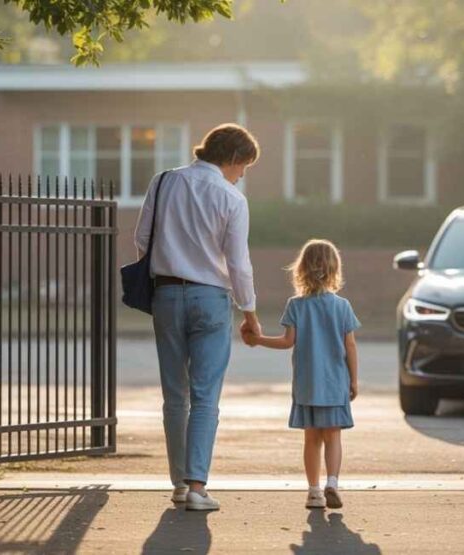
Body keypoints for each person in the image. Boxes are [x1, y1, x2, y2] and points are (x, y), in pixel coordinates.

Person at [134, 124, 261, 511]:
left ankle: (178, 484)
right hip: (211, 299)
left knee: (175, 395)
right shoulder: (232, 198)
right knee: (205, 396)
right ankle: (196, 487)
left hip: (166, 295)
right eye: (244, 166)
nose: (242, 175)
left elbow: (142, 239)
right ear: (234, 158)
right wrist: (250, 311)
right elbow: (238, 263)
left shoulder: (163, 182)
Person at [243, 239, 360, 509]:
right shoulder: (342, 306)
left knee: (311, 439)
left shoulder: (295, 305)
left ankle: (314, 491)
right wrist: (353, 380)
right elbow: (350, 346)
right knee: (333, 436)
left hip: (307, 385)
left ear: (302, 269)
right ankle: (332, 482)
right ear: (334, 269)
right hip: (335, 384)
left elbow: (287, 342)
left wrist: (258, 340)